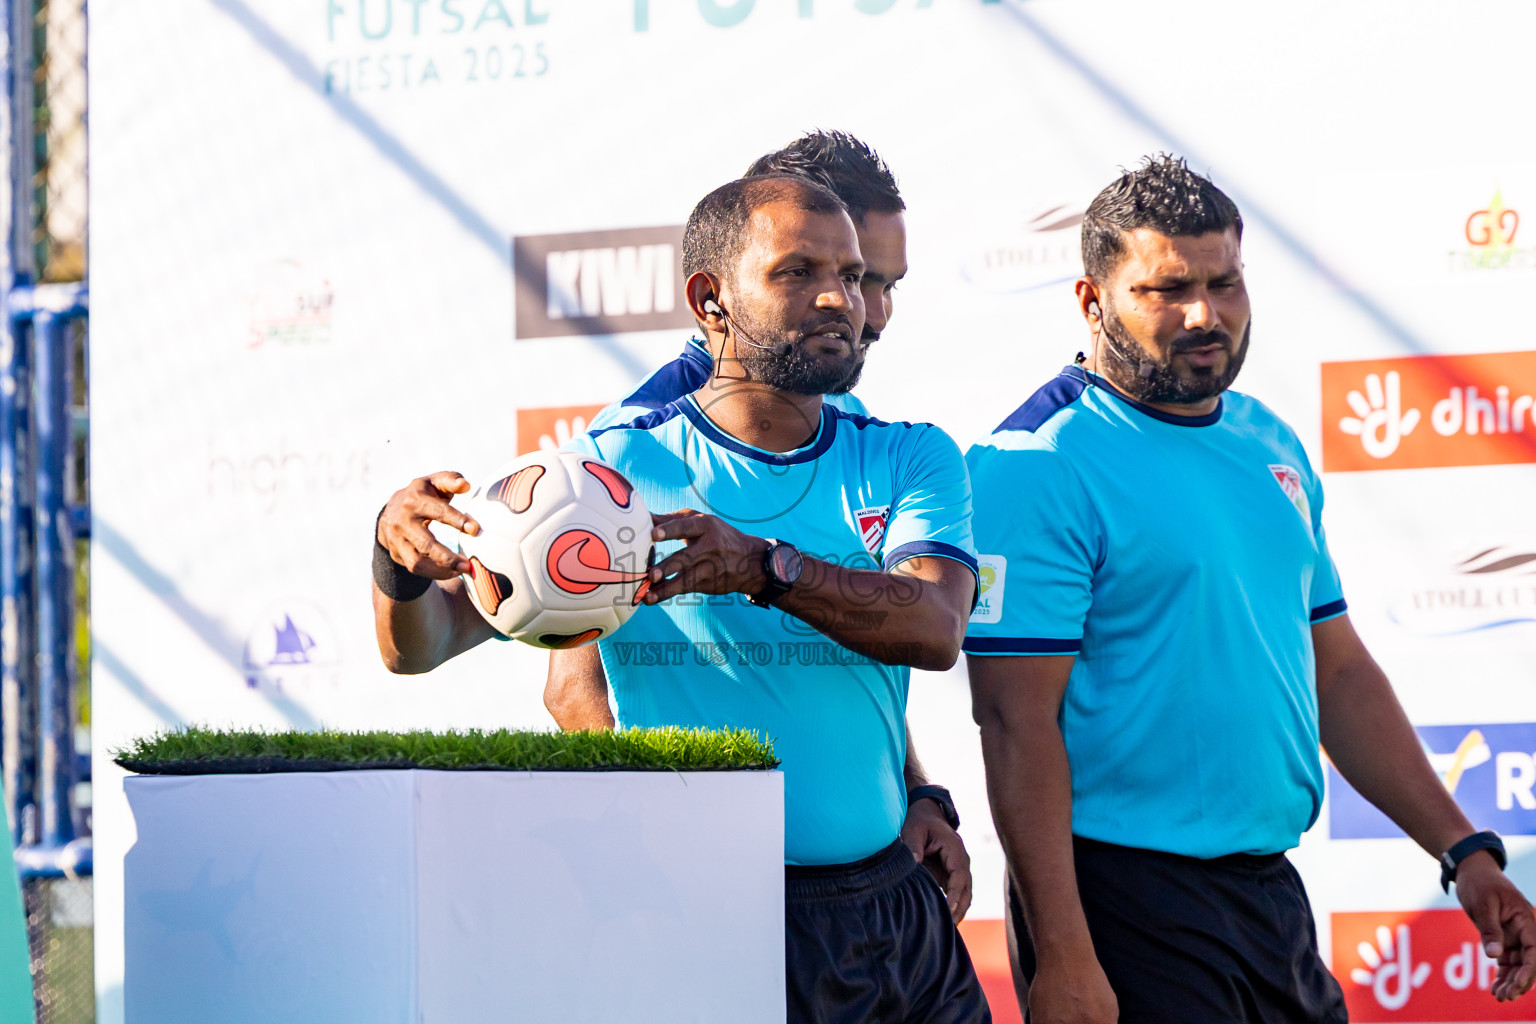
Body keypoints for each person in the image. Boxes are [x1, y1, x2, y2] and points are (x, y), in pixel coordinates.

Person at [373, 172, 990, 1024]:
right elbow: (423, 644)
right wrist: (397, 562)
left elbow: (935, 626)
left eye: (851, 276)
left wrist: (765, 569)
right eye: (797, 272)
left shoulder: (911, 457)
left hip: (895, 913)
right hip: (713, 917)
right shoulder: (607, 473)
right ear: (710, 300)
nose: (839, 299)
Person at [963, 155, 1536, 1023]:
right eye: (1168, 289)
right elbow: (1015, 724)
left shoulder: (1269, 439)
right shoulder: (1035, 463)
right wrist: (1067, 954)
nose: (1205, 314)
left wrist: (1465, 854)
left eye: (1223, 283)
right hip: (1122, 904)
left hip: (1271, 898)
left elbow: (1337, 671)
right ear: (1091, 301)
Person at [545, 130, 972, 925]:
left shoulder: (842, 415)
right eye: (832, 273)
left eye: (873, 281)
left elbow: (843, 650)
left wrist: (918, 791)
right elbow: (575, 689)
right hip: (722, 907)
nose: (868, 310)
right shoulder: (626, 448)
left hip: (875, 897)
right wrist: (679, 866)